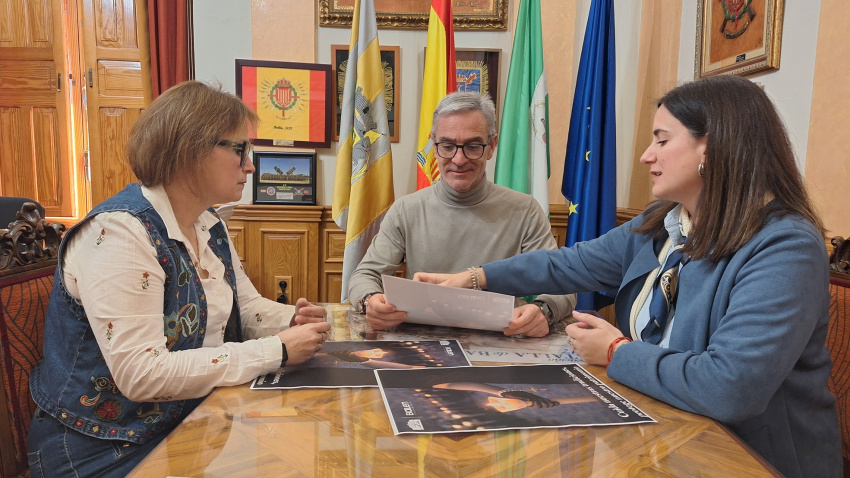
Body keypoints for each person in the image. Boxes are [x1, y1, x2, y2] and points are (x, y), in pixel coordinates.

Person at [415, 76, 841, 477]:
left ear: (711, 147)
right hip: (660, 434)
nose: (646, 156)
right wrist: (473, 278)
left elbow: (730, 388)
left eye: (661, 140)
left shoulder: (784, 247)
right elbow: (567, 264)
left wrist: (617, 351)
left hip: (745, 457)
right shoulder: (664, 222)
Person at [27, 81, 332, 477]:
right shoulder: (119, 234)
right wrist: (277, 350)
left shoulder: (208, 222)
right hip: (108, 448)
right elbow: (142, 375)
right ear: (189, 151)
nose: (251, 165)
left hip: (191, 423)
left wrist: (289, 320)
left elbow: (246, 306)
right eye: (240, 149)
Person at [348, 91, 576, 337]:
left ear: (491, 146)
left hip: (502, 342)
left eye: (472, 146)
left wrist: (543, 310)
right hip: (424, 343)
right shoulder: (406, 210)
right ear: (433, 145)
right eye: (447, 146)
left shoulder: (525, 210)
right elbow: (364, 275)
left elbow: (563, 284)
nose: (458, 159)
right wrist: (370, 300)